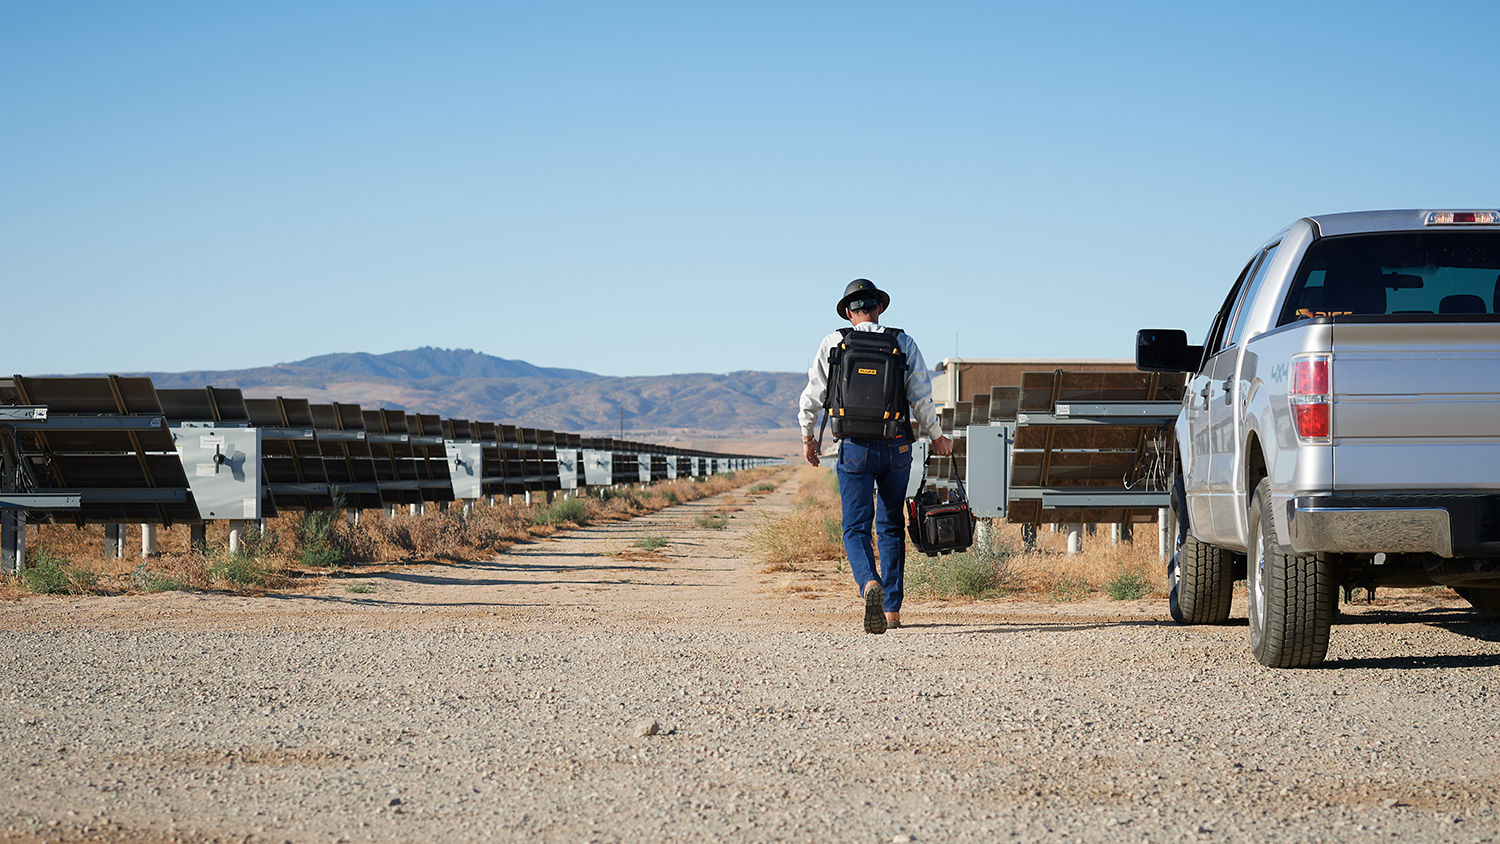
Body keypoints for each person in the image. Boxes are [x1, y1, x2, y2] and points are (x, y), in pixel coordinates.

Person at [797, 279, 952, 634]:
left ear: (850, 312)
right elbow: (921, 399)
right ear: (879, 308)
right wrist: (937, 437)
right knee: (891, 526)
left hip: (854, 447)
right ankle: (894, 610)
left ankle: (869, 582)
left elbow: (812, 396)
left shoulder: (834, 342)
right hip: (896, 445)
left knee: (855, 527)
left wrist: (808, 438)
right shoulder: (902, 341)